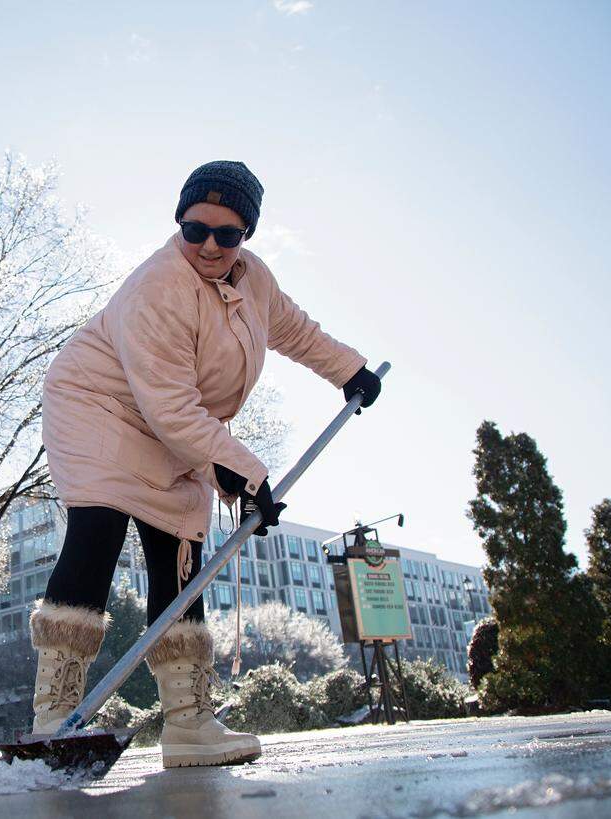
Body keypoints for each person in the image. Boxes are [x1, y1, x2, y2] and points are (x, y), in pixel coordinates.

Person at [29, 160, 381, 768]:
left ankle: (190, 724)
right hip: (100, 409)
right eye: (196, 231)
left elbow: (292, 330)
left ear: (246, 234)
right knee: (99, 530)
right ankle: (53, 716)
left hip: (177, 426)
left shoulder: (255, 280)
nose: (210, 246)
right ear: (180, 224)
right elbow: (167, 403)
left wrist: (348, 369)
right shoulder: (157, 289)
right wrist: (244, 473)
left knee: (181, 555)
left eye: (227, 234)